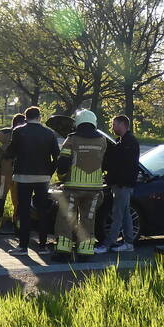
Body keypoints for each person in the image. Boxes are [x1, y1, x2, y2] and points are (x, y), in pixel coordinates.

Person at [54, 110, 108, 262]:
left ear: (77, 122)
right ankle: (85, 251)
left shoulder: (71, 139)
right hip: (95, 189)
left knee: (66, 218)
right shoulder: (102, 140)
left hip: (73, 187)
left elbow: (63, 162)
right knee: (88, 219)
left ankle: (63, 251)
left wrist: (62, 177)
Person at [5, 106, 60, 256]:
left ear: (25, 117)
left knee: (24, 211)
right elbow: (57, 156)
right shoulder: (49, 133)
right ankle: (42, 246)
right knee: (42, 211)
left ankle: (23, 246)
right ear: (40, 117)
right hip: (42, 177)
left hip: (22, 176)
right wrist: (49, 172)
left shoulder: (18, 131)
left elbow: (10, 152)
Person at [95, 114, 139, 253]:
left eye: (114, 124)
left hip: (122, 185)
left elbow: (122, 165)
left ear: (122, 124)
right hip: (121, 184)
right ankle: (129, 243)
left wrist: (113, 179)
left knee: (117, 215)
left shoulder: (129, 142)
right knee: (125, 214)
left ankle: (107, 244)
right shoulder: (121, 141)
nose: (112, 127)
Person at [0, 113, 26, 237]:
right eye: (19, 124)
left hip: (19, 175)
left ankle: (18, 227)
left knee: (19, 202)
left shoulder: (27, 135)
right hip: (2, 174)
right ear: (14, 124)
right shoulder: (3, 134)